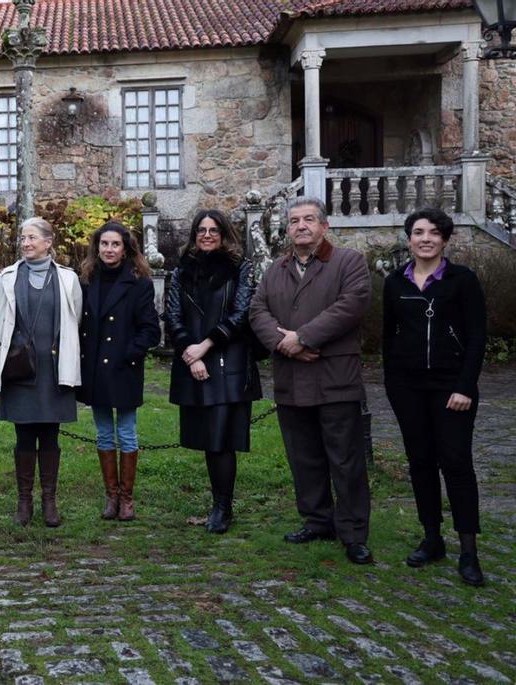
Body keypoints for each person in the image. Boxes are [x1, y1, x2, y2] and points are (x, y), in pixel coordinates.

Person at [249, 196, 373, 565]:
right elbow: (257, 310)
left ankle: (353, 532)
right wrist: (284, 344)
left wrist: (301, 338)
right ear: (287, 229)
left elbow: (351, 305)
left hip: (334, 377)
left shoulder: (348, 262)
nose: (300, 226)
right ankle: (318, 520)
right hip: (292, 380)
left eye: (308, 220)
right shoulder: (276, 269)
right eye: (294, 221)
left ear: (324, 226)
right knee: (304, 458)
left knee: (346, 460)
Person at [383, 208, 487, 586]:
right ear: (408, 239)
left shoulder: (463, 280)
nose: (425, 238)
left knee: (456, 463)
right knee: (420, 462)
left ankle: (469, 550)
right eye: (418, 232)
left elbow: (477, 337)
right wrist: (393, 385)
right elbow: (388, 337)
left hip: (451, 386)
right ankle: (432, 537)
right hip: (408, 387)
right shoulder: (395, 282)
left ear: (445, 239)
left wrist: (464, 386)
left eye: (433, 233)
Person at [164, 210, 262, 534]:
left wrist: (204, 346)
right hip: (194, 363)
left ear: (223, 234)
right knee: (209, 439)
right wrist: (191, 356)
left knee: (222, 439)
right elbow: (173, 316)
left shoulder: (240, 269)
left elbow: (240, 314)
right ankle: (218, 502)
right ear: (194, 235)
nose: (207, 235)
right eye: (201, 230)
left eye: (213, 230)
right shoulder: (180, 272)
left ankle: (223, 507)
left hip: (228, 362)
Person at [0, 218, 82, 527]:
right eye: (23, 238)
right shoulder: (7, 277)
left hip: (54, 370)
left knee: (51, 436)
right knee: (24, 435)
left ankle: (50, 502)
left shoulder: (68, 279)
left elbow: (75, 318)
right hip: (20, 369)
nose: (25, 243)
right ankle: (24, 501)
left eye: (31, 238)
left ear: (48, 242)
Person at [77, 220, 161, 521]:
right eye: (104, 244)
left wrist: (130, 353)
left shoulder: (139, 282)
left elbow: (151, 330)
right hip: (95, 367)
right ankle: (110, 497)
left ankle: (127, 499)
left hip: (124, 367)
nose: (109, 249)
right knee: (102, 433)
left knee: (126, 432)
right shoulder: (87, 279)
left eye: (115, 244)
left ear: (126, 249)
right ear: (97, 248)